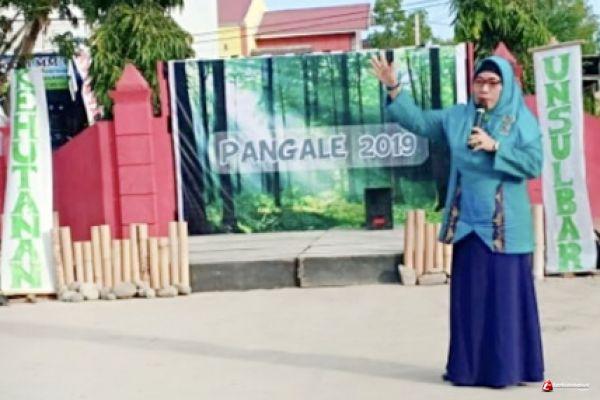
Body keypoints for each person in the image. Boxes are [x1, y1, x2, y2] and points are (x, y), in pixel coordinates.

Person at [371, 54, 545, 388]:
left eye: (492, 83)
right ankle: (468, 369)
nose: (485, 90)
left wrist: (496, 146)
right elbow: (420, 122)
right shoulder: (458, 117)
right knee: (470, 300)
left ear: (506, 86)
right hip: (467, 225)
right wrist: (394, 87)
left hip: (505, 228)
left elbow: (534, 164)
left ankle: (508, 369)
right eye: (480, 82)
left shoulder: (521, 120)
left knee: (504, 300)